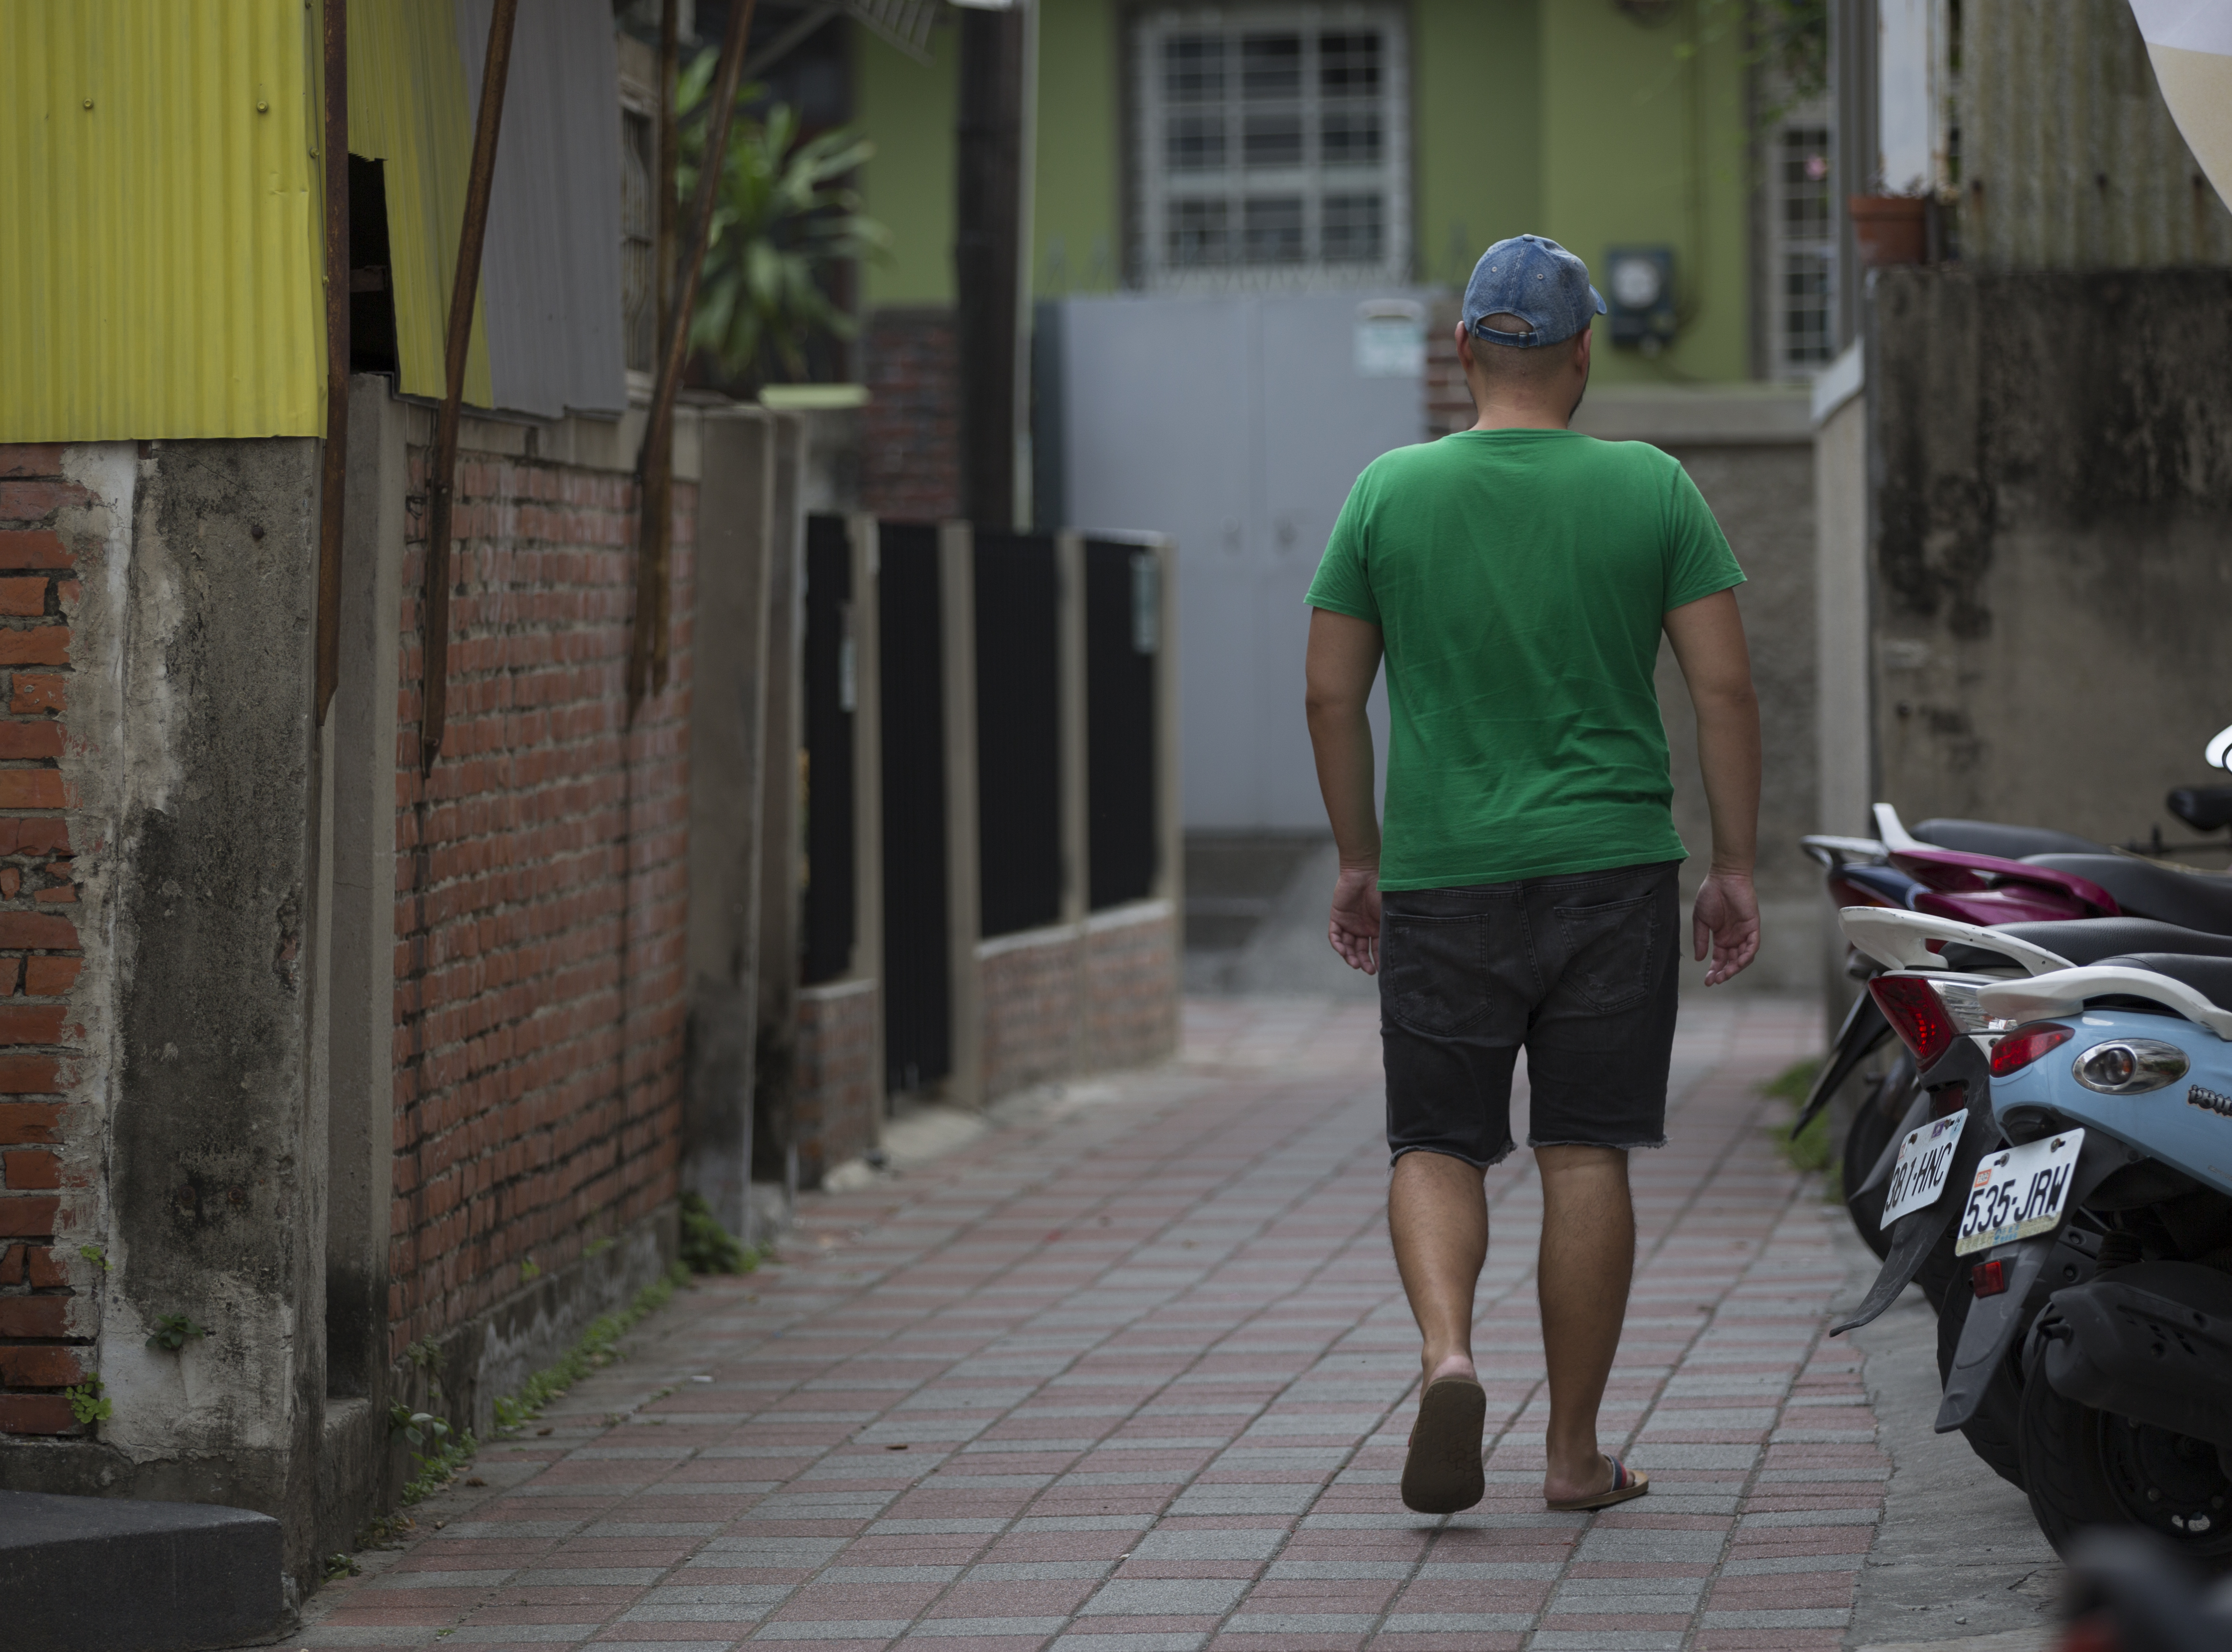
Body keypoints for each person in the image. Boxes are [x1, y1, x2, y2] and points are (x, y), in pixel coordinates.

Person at [1301, 234, 1761, 1516]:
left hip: (1446, 874)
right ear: (1582, 353)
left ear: (1461, 352)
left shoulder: (1389, 491)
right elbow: (1722, 685)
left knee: (1439, 1142)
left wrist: (1358, 858)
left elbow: (1328, 692)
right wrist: (1733, 863)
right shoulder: (1652, 488)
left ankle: (1449, 1354)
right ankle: (1572, 1452)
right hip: (1613, 869)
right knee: (1585, 1152)